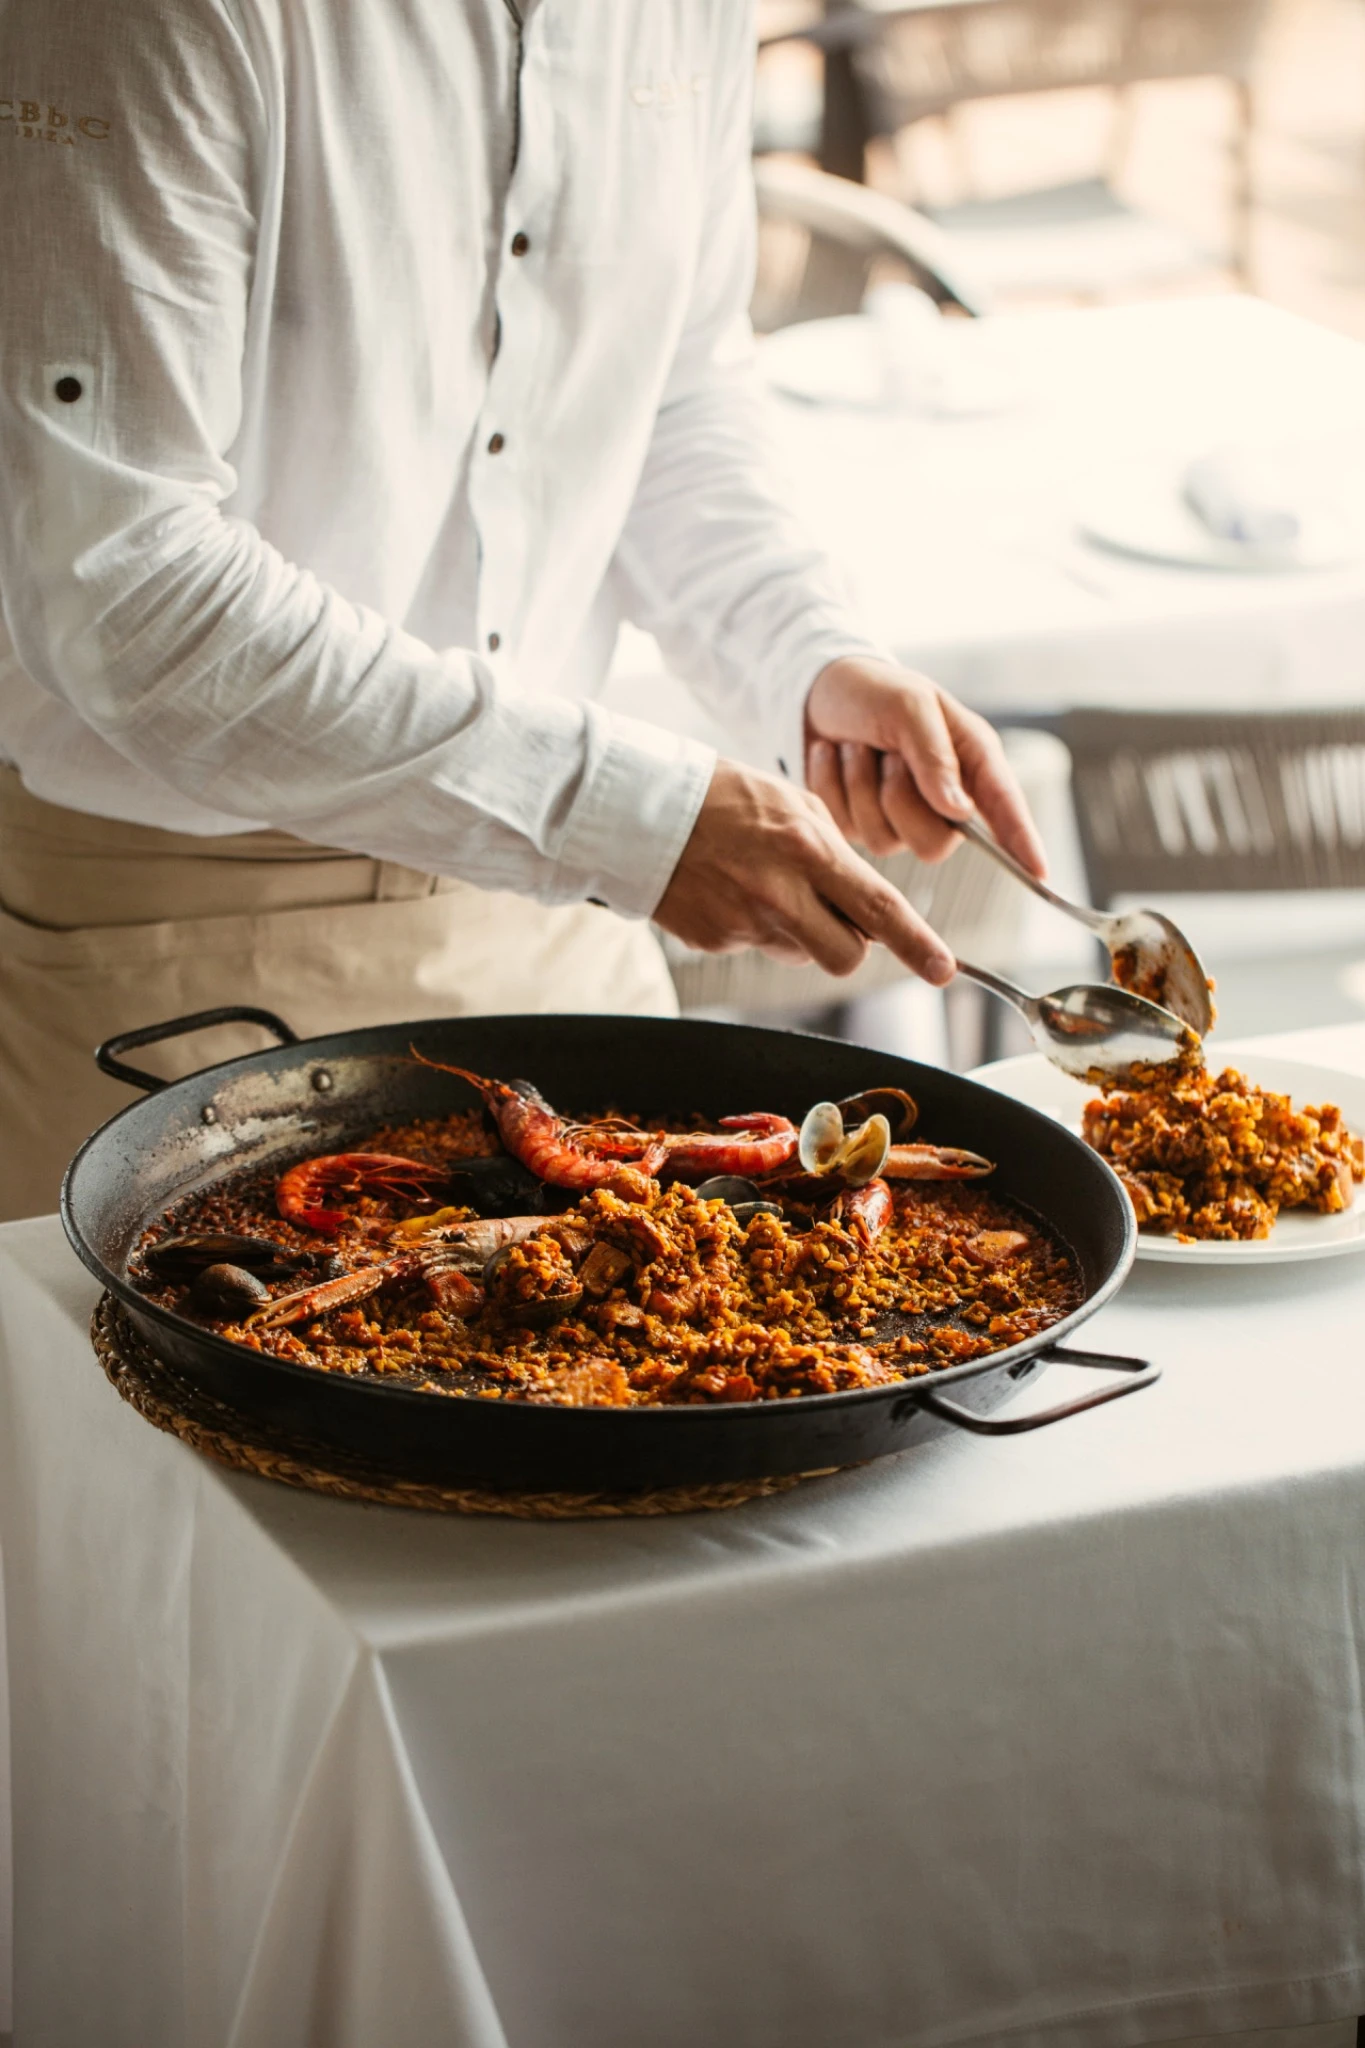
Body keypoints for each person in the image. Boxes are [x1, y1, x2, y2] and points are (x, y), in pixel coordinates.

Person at [0, 0, 1044, 1220]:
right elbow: (125, 577)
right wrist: (622, 812)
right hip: (182, 937)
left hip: (559, 933)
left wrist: (801, 646)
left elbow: (678, 390)